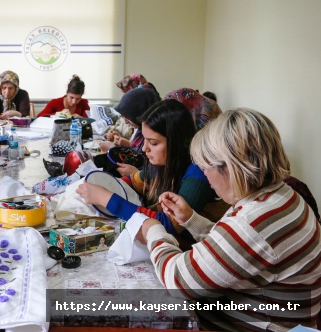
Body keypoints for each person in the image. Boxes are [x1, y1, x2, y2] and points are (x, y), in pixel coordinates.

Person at [137, 108, 321, 331]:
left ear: (231, 167)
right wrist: (191, 220)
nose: (204, 175)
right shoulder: (281, 196)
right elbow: (236, 248)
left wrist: (153, 230)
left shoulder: (255, 222)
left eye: (206, 167)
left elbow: (177, 280)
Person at [77, 99, 223, 244]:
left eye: (153, 143)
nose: (144, 148)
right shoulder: (162, 165)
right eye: (144, 140)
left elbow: (167, 226)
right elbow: (132, 182)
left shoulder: (198, 172)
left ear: (177, 142)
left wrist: (105, 198)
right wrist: (106, 185)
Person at [98, 88, 161, 156]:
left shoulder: (153, 133)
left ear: (138, 113)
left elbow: (139, 159)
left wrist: (113, 148)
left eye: (128, 117)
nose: (126, 122)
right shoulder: (141, 130)